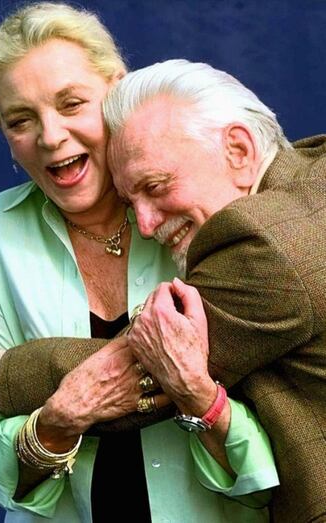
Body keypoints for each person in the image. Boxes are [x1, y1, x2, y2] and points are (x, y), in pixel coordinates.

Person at [0, 4, 279, 523]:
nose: (50, 136)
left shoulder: (194, 206)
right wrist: (56, 423)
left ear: (116, 89)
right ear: (1, 130)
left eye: (72, 103)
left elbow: (275, 438)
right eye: (20, 119)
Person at [99, 58, 326, 523]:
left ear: (238, 151)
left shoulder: (268, 243)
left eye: (156, 185)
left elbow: (119, 374)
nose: (144, 225)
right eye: (130, 202)